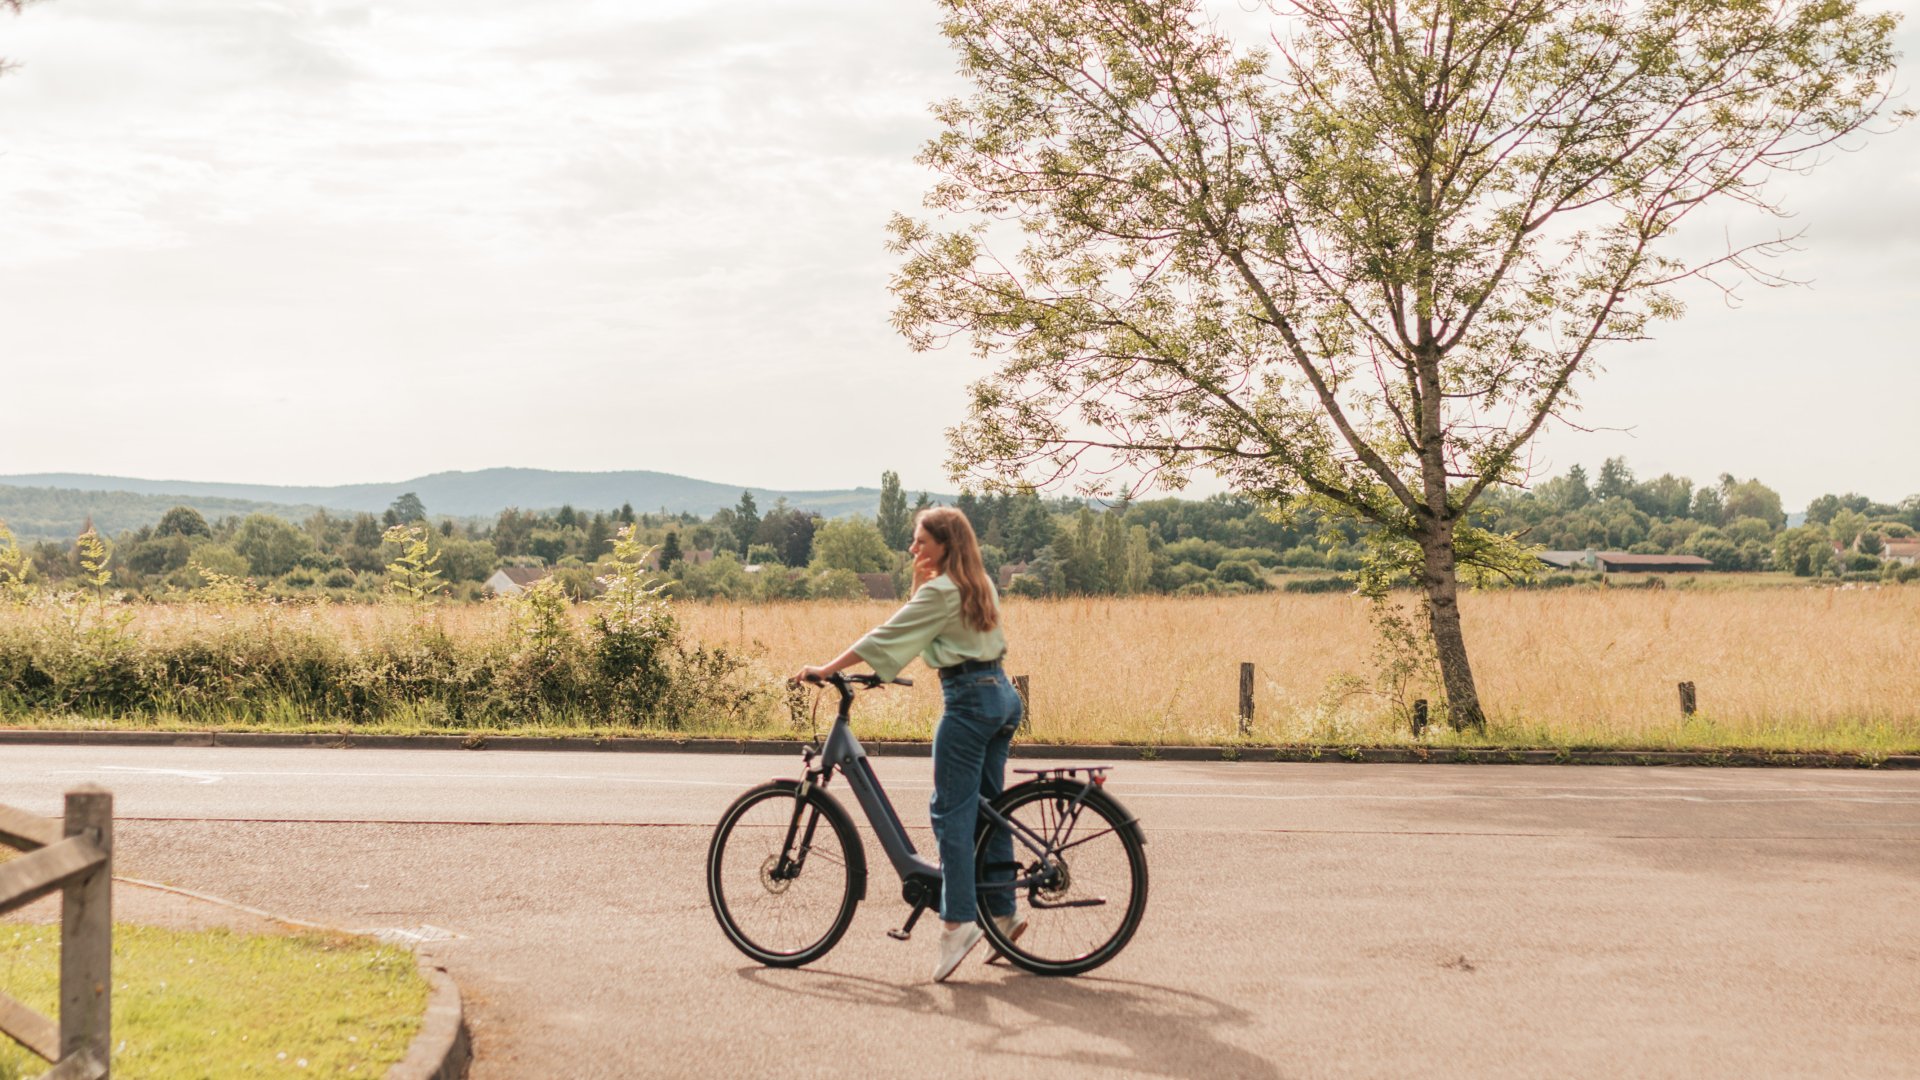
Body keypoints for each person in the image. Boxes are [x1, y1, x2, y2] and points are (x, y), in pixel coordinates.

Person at [793, 506, 1024, 982]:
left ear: (944, 544)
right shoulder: (977, 582)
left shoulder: (941, 590)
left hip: (967, 702)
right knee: (986, 810)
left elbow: (889, 633)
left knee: (950, 814)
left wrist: (827, 669)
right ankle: (1003, 913)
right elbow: (926, 625)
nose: (912, 548)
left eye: (921, 541)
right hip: (1001, 696)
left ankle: (957, 922)